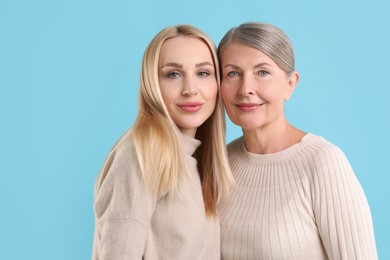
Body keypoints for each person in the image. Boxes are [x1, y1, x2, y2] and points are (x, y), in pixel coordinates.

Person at [217, 22, 377, 260]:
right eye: (233, 73)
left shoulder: (323, 162)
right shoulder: (219, 162)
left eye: (262, 72)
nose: (246, 88)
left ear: (290, 84)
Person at [91, 24, 234, 260]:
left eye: (203, 73)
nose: (190, 89)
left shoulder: (195, 160)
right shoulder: (141, 154)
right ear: (152, 84)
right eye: (173, 74)